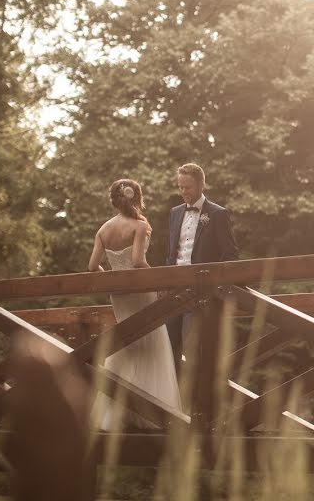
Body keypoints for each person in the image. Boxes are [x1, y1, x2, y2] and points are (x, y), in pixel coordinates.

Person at [87, 178, 182, 429]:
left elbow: (91, 267)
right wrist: (159, 282)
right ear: (137, 198)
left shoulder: (103, 230)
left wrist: (112, 278)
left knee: (126, 340)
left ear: (114, 201)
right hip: (140, 290)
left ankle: (117, 411)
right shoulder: (139, 226)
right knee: (150, 338)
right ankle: (152, 414)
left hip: (119, 294)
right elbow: (139, 261)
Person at [165, 163, 239, 372]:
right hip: (174, 290)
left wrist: (219, 288)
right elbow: (171, 253)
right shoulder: (174, 213)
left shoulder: (217, 214)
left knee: (192, 350)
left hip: (201, 293)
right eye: (180, 187)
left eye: (187, 187)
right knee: (169, 349)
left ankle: (195, 401)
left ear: (201, 184)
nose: (183, 192)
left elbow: (231, 254)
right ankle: (174, 402)